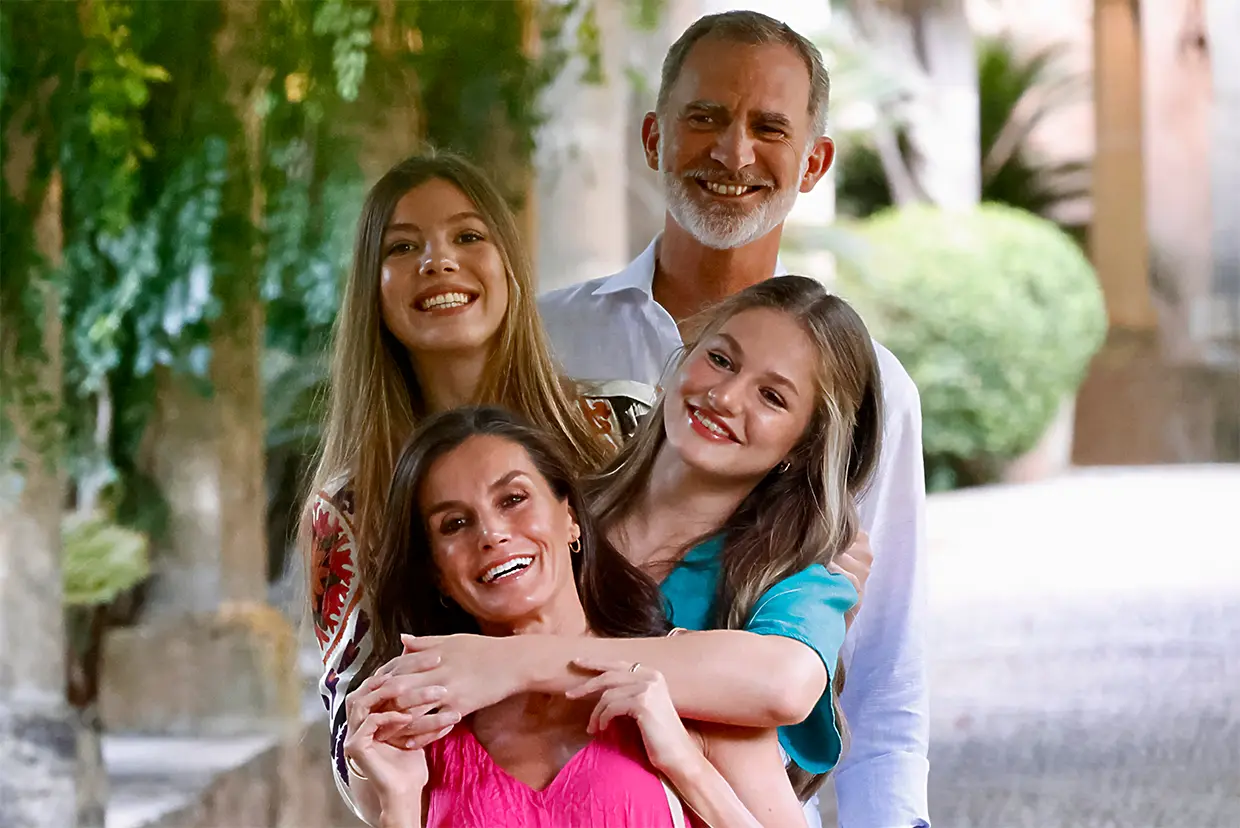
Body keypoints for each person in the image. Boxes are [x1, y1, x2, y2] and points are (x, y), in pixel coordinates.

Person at [307, 151, 875, 817]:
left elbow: (780, 682)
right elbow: (365, 735)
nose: (438, 261)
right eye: (404, 247)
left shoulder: (611, 424)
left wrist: (515, 668)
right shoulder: (363, 506)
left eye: (468, 236)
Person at [538, 10, 930, 828]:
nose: (733, 152)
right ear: (653, 137)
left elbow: (885, 674)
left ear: (815, 162)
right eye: (705, 118)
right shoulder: (546, 343)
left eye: (769, 127)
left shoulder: (874, 392)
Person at [344, 406, 808, 827]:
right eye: (455, 524)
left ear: (569, 518)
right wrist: (399, 806)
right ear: (437, 574)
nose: (491, 534)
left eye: (513, 499)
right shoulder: (417, 738)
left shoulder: (686, 690)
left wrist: (686, 767)